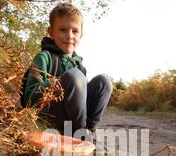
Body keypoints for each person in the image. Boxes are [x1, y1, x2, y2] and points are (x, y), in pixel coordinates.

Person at [22, 3, 112, 137]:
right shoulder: (44, 58)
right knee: (74, 76)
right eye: (63, 30)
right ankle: (81, 135)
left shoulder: (80, 68)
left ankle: (89, 132)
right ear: (51, 32)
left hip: (73, 119)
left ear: (81, 35)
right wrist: (57, 85)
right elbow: (30, 98)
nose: (69, 36)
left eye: (75, 31)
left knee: (103, 81)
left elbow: (82, 103)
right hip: (50, 118)